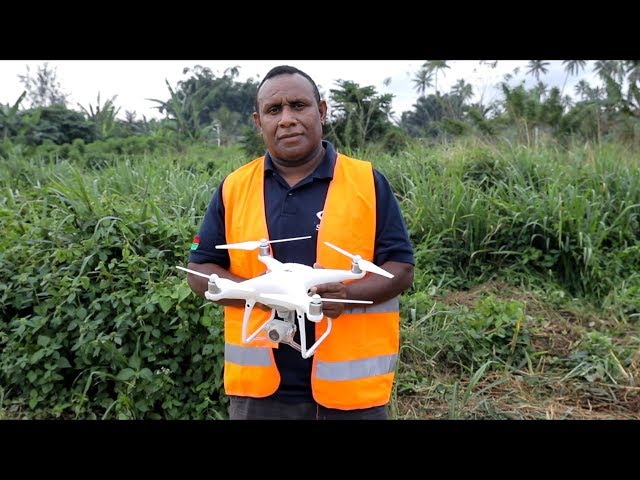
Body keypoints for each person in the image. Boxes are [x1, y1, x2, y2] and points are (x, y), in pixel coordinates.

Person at [186, 65, 414, 420]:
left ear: (321, 111)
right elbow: (199, 270)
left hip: (353, 396)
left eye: (298, 105)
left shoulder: (367, 181)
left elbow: (400, 268)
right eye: (274, 110)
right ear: (258, 122)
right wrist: (256, 293)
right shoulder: (234, 187)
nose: (287, 119)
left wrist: (348, 297)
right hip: (260, 397)